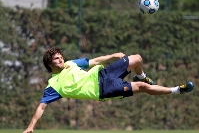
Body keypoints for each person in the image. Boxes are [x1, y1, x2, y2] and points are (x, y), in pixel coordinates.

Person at [23, 47, 194, 133]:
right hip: (104, 89)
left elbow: (94, 61)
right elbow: (41, 107)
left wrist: (112, 56)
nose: (61, 59)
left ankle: (141, 75)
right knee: (144, 88)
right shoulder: (53, 85)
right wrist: (31, 126)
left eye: (60, 56)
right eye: (56, 58)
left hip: (104, 74)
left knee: (136, 58)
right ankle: (177, 90)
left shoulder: (71, 63)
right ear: (49, 64)